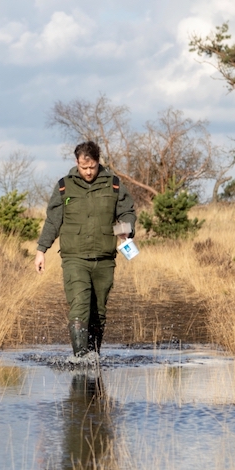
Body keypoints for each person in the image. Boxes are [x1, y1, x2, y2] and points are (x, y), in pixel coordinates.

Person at [34, 141, 136, 358]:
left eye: (92, 167)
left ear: (98, 162)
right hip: (75, 258)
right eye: (84, 167)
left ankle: (94, 357)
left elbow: (127, 212)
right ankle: (80, 359)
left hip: (105, 258)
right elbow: (53, 221)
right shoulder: (64, 186)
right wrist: (41, 250)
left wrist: (125, 231)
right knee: (80, 306)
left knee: (98, 312)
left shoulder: (114, 184)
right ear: (76, 162)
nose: (88, 172)